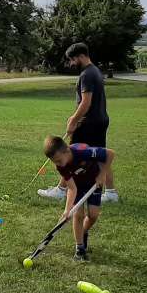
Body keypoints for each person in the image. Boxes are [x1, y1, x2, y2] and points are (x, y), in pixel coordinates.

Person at [38, 43, 119, 202]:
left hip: (88, 123)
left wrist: (73, 120)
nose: (71, 64)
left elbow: (85, 102)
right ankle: (111, 192)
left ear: (81, 56)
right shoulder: (95, 71)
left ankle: (61, 190)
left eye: (72, 60)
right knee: (100, 156)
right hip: (100, 120)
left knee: (69, 153)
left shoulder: (87, 75)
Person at [44, 135, 116, 262]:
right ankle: (80, 248)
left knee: (93, 215)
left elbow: (110, 154)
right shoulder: (61, 166)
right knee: (78, 214)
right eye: (55, 162)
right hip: (77, 185)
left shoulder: (84, 152)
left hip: (94, 183)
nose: (57, 164)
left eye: (59, 160)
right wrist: (67, 210)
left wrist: (102, 174)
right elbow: (72, 188)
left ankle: (83, 232)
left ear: (66, 151)